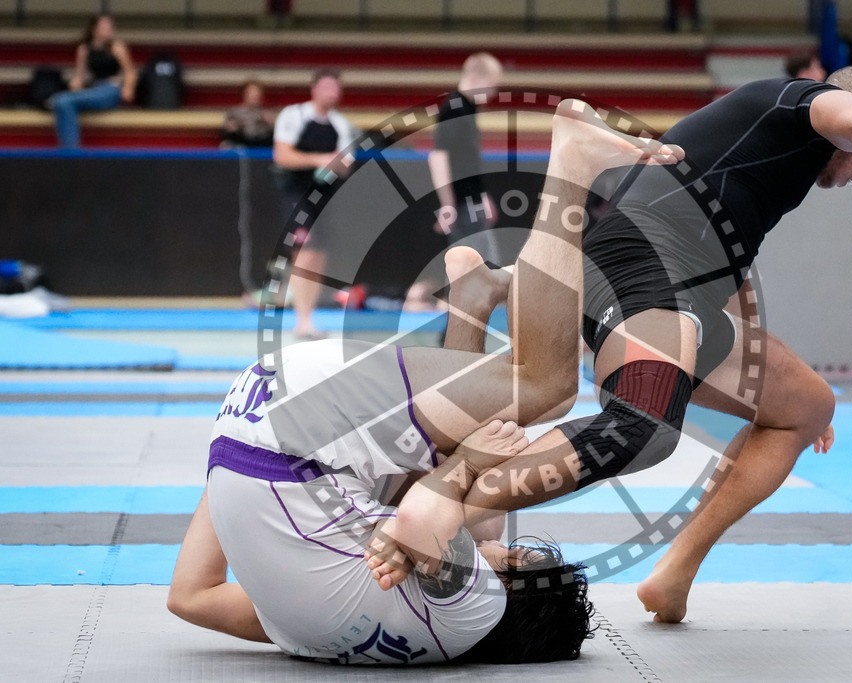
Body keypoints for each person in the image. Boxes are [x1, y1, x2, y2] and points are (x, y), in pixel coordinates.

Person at [435, 66, 852, 626]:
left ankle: (674, 575)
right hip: (642, 268)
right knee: (640, 430)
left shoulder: (779, 155)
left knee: (806, 406)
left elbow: (731, 274)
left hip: (672, 286)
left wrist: (769, 384)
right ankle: (440, 508)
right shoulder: (798, 104)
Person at [166, 99, 686, 663]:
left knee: (545, 386)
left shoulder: (473, 615)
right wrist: (226, 473)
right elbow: (190, 599)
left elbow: (421, 517)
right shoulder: (315, 633)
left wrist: (474, 464)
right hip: (246, 421)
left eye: (514, 560)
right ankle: (472, 299)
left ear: (514, 594)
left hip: (303, 434)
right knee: (454, 485)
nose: (503, 550)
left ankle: (572, 167)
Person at [272, 68, 358, 341]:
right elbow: (282, 155)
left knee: (319, 255)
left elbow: (347, 164)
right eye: (327, 88)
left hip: (326, 197)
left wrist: (336, 163)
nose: (332, 93)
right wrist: (318, 160)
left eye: (336, 88)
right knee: (305, 251)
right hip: (298, 194)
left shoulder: (340, 124)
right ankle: (301, 319)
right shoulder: (294, 115)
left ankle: (308, 316)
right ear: (314, 89)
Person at [429, 53, 504, 266]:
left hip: (470, 200)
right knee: (476, 266)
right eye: (490, 86)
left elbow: (468, 160)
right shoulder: (454, 109)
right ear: (474, 77)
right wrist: (448, 204)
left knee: (477, 265)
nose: (492, 93)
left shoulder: (468, 108)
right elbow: (438, 157)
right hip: (462, 204)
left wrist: (482, 196)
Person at [49, 14, 136, 148]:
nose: (108, 30)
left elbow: (130, 71)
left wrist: (128, 88)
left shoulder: (116, 47)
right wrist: (75, 84)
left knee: (63, 100)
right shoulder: (84, 49)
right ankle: (70, 150)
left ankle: (70, 153)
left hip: (110, 89)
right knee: (62, 102)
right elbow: (80, 76)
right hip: (93, 89)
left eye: (110, 27)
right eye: (104, 27)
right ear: (94, 29)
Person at [221, 79, 275, 149]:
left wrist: (271, 123)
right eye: (251, 93)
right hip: (241, 142)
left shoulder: (267, 112)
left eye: (256, 93)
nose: (254, 96)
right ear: (245, 94)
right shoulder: (235, 112)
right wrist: (233, 127)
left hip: (261, 143)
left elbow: (278, 133)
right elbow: (226, 130)